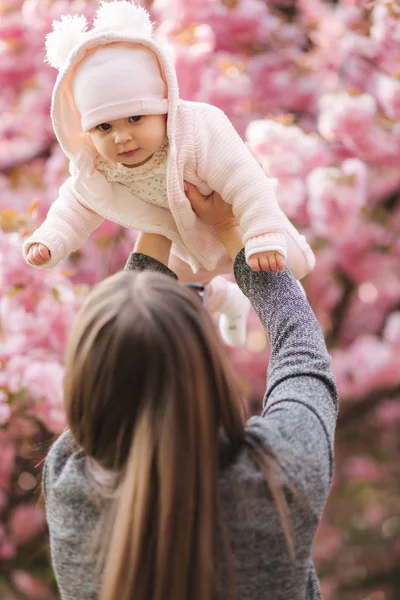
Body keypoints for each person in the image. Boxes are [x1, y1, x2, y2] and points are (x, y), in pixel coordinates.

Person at [42, 184, 338, 600]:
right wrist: (229, 226)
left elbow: (123, 351)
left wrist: (158, 220)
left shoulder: (69, 483)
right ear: (206, 364)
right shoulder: (280, 471)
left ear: (85, 378)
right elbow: (302, 352)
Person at [22, 0, 315, 347]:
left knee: (290, 266)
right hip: (181, 240)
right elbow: (75, 205)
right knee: (170, 297)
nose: (122, 137)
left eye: (135, 118)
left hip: (238, 220)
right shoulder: (100, 166)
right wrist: (51, 238)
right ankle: (227, 300)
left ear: (164, 108)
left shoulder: (199, 132)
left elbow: (245, 182)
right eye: (103, 127)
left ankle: (278, 296)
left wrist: (262, 234)